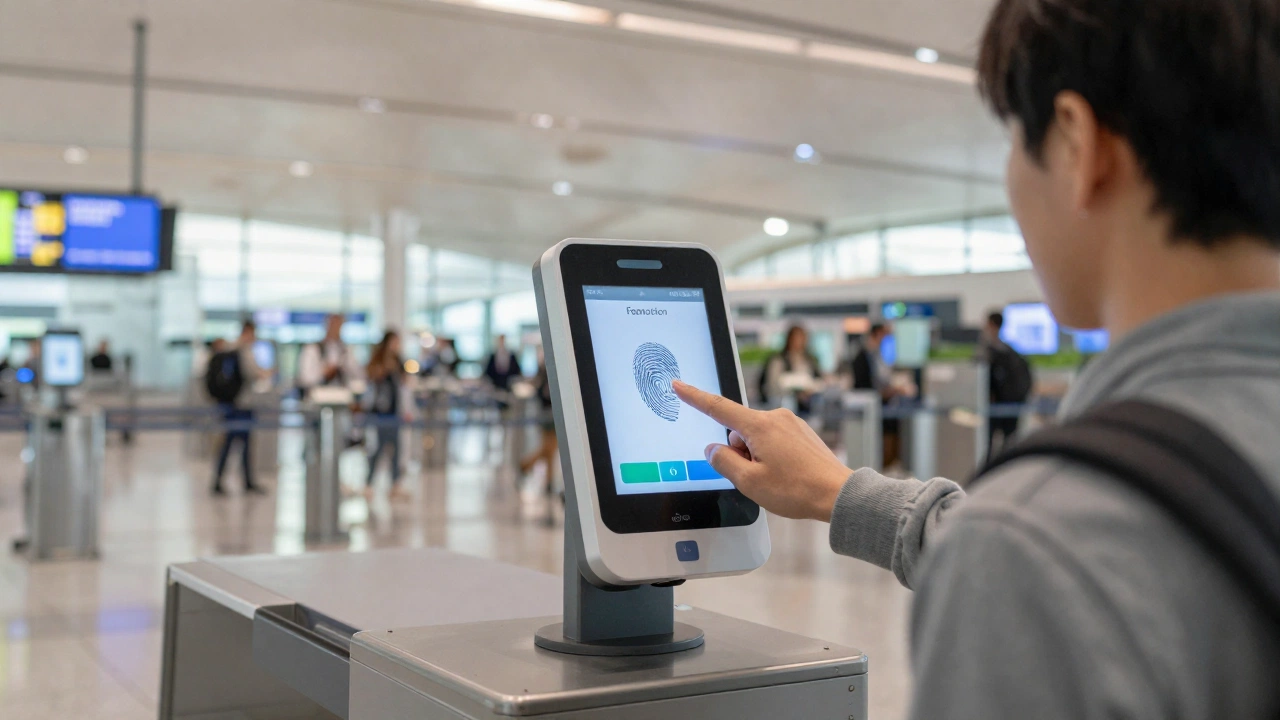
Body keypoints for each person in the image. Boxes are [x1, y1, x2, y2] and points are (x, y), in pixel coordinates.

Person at [672, 1, 1280, 716]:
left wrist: (1002, 543)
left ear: (1078, 145)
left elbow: (1040, 557)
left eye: (1016, 141)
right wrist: (842, 493)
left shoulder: (1039, 546)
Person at [208, 321, 270, 497]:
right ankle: (229, 481)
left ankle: (230, 480)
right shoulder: (243, 350)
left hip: (232, 402)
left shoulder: (230, 348)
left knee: (235, 442)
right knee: (235, 442)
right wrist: (265, 373)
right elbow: (252, 373)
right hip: (242, 404)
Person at [849, 323, 905, 468]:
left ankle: (889, 464)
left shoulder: (876, 355)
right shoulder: (863, 356)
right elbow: (864, 386)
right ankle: (883, 465)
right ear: (877, 334)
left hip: (879, 403)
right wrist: (886, 392)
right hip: (868, 405)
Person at [364, 330, 411, 500]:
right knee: (377, 449)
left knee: (396, 449)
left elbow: (404, 386)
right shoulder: (377, 361)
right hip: (380, 413)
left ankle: (395, 483)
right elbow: (371, 379)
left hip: (394, 413)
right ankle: (368, 483)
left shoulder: (399, 361)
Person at [981, 312, 1033, 459]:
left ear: (991, 325)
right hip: (1012, 405)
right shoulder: (1012, 352)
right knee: (1008, 444)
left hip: (996, 405)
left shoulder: (990, 352)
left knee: (989, 445)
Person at [519, 350, 558, 496]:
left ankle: (548, 480)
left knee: (550, 449)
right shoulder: (545, 372)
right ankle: (526, 465)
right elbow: (542, 394)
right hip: (548, 415)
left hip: (552, 414)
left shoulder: (548, 371)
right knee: (549, 448)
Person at [297, 314, 362, 396]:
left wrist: (342, 369)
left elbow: (358, 374)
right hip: (317, 395)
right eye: (333, 325)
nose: (335, 329)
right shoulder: (313, 349)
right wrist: (323, 372)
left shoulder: (346, 350)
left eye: (338, 326)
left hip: (342, 395)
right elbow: (305, 378)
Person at [759, 325, 820, 412]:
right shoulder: (778, 360)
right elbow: (772, 385)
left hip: (808, 400)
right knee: (789, 402)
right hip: (784, 400)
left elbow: (817, 379)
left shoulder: (809, 360)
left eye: (801, 338)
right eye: (796, 338)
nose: (799, 342)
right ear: (789, 339)